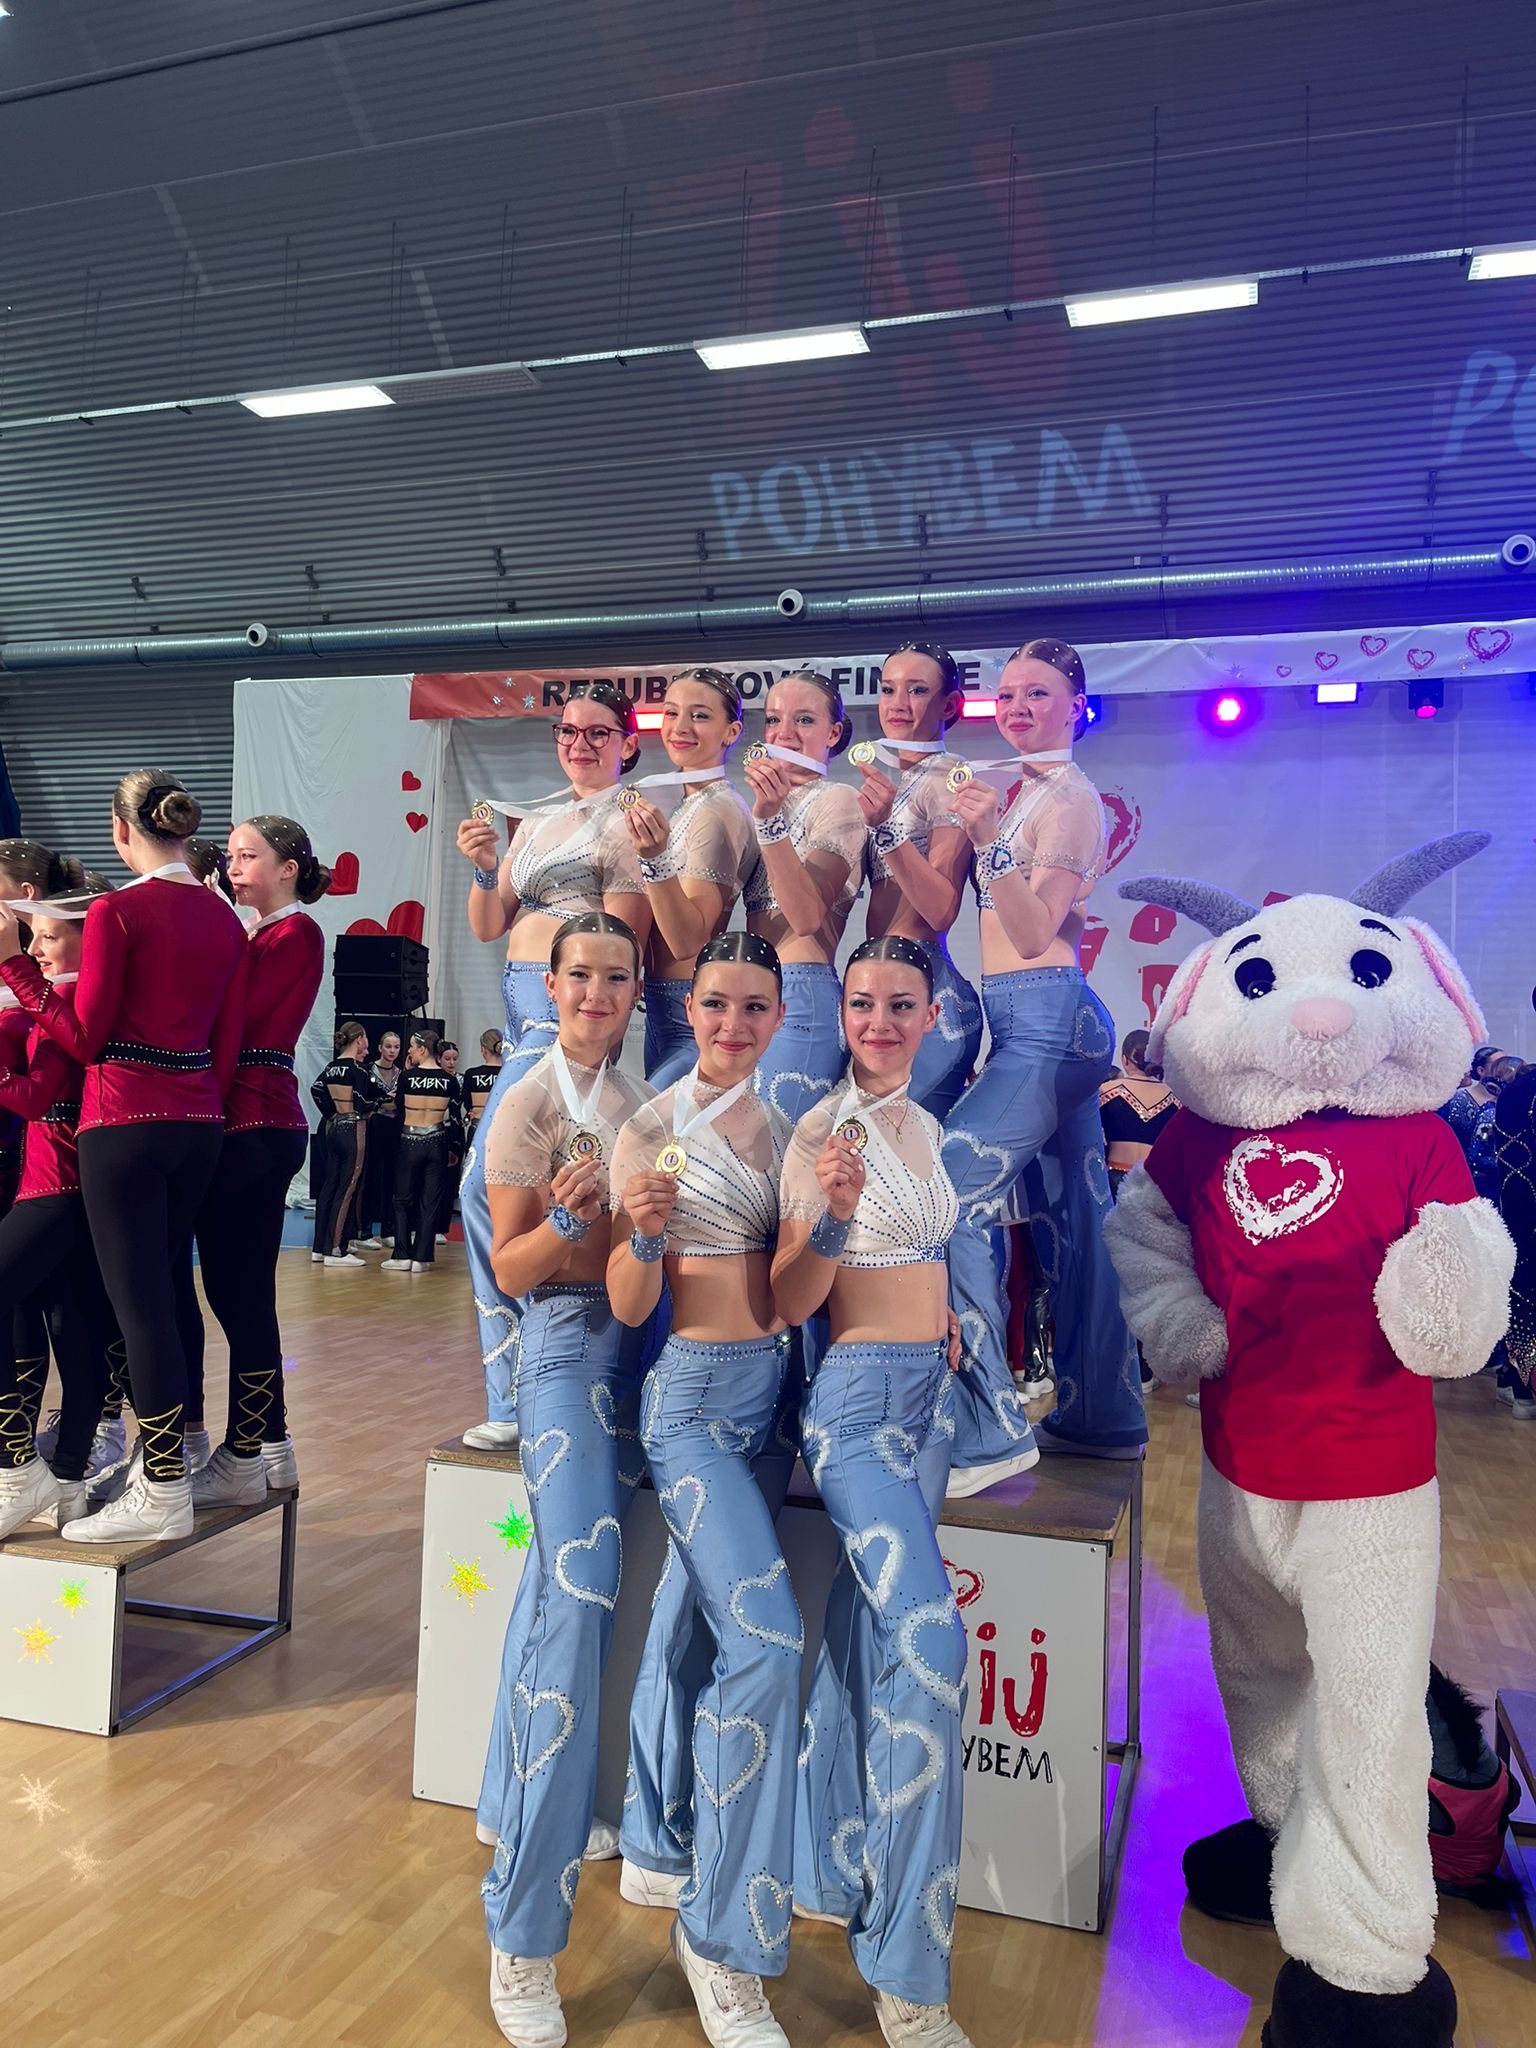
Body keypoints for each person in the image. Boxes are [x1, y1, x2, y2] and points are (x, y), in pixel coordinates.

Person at [772, 936, 972, 2048]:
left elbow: (924, 1254)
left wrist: (941, 1320)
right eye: (861, 1004)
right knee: (932, 1644)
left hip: (928, 1405)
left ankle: (828, 1866)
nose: (880, 1023)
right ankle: (908, 1971)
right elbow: (794, 1294)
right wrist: (836, 1216)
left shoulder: (928, 1127)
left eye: (901, 1004)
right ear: (841, 1012)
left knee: (865, 1636)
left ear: (932, 1014)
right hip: (853, 1413)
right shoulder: (821, 1132)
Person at [607, 931, 798, 2046]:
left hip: (770, 1405)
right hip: (687, 1408)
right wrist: (640, 1235)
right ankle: (722, 1936)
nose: (733, 1024)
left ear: (780, 1016)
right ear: (690, 1006)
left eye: (754, 1007)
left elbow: (805, 1275)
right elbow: (631, 1304)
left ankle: (654, 1833)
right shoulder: (654, 1125)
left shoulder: (792, 1124)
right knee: (764, 1640)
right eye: (717, 1003)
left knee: (691, 1620)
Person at [475, 913, 656, 2048]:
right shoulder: (526, 1101)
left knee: (559, 1590)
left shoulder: (641, 1105)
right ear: (549, 984)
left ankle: (512, 1803)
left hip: (642, 1355)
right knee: (578, 1595)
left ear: (637, 990)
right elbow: (509, 1266)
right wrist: (567, 1216)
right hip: (559, 1355)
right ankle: (523, 1929)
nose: (596, 993)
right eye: (579, 975)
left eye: (615, 977)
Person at [0, 769, 249, 1542]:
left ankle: (156, 1486)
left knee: (136, 1310)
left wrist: (16, 970)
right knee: (155, 1306)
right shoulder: (223, 916)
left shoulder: (117, 910)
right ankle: (157, 1475)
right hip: (197, 1121)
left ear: (119, 831)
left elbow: (84, 1039)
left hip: (125, 1121)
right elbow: (227, 1044)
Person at [941, 640, 1146, 1494]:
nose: (1017, 707)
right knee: (1077, 1224)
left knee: (943, 1192)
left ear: (1077, 706)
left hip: (1050, 1021)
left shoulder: (1068, 799)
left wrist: (987, 837)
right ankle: (1103, 1415)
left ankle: (989, 1425)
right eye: (1007, 695)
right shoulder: (1027, 790)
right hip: (1037, 1019)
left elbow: (1031, 934)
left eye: (1037, 694)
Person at [454, 682, 651, 1451]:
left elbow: (623, 945)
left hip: (558, 1024)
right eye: (569, 731)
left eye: (598, 733)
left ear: (628, 743)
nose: (579, 744)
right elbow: (488, 923)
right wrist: (484, 867)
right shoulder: (536, 821)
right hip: (519, 1020)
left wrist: (594, 1028)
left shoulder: (627, 823)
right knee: (505, 1192)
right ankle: (523, 1383)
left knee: (482, 1187)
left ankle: (515, 1390)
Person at [186, 817, 328, 1507]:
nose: (233, 867)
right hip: (243, 1121)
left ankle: (249, 1450)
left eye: (248, 857)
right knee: (234, 1291)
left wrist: (216, 925)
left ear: (288, 868)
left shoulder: (294, 932)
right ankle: (268, 1443)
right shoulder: (256, 933)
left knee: (239, 1294)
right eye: (232, 856)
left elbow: (236, 1012)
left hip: (257, 1121)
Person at [0, 878, 122, 1535]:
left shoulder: (68, 1000)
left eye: (49, 936)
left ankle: (18, 1468)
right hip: (66, 1184)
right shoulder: (65, 998)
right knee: (75, 1331)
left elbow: (34, 1096)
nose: (35, 948)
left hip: (57, 1185)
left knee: (76, 1331)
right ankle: (69, 1479)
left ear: (87, 940)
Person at [854, 643, 982, 1121]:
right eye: (889, 690)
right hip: (885, 984)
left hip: (926, 992)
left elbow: (941, 908)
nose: (898, 703)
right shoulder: (898, 781)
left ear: (949, 705)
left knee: (908, 1150)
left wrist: (886, 829)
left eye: (917, 690)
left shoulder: (949, 779)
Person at [618, 667, 759, 1087]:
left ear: (731, 732)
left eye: (699, 715)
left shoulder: (716, 811)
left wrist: (655, 859)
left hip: (689, 1019)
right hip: (665, 1007)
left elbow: (687, 940)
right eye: (672, 713)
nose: (680, 727)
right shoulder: (688, 807)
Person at [743, 671, 866, 1126]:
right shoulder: (759, 806)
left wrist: (768, 821)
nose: (784, 734)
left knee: (775, 1143)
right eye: (774, 720)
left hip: (801, 994)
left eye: (804, 720)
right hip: (749, 990)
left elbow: (807, 916)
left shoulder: (839, 800)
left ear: (834, 734)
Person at [382, 1028, 457, 1273]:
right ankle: (422, 1258)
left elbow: (399, 1107)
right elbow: (455, 1117)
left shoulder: (406, 1077)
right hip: (437, 1140)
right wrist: (454, 1147)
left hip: (410, 1140)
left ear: (423, 1049)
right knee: (430, 1200)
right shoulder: (449, 1080)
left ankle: (402, 1255)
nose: (409, 1050)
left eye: (413, 1046)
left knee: (402, 1199)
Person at [312, 1024, 385, 1265]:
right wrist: (379, 1104)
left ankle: (319, 1247)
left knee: (329, 1187)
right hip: (353, 1128)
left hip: (333, 1128)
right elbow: (361, 1102)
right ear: (359, 1040)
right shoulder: (357, 1070)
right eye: (365, 1038)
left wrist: (330, 1112)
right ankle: (336, 1249)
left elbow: (316, 1089)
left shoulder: (331, 1067)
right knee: (347, 1187)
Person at [1494, 1049, 1536, 1420]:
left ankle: (1522, 1385)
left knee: (1524, 1281)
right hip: (1522, 1211)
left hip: (1521, 1213)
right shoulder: (1521, 1091)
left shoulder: (1517, 1091)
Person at [1100, 1028, 1179, 1196]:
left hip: (1112, 1181)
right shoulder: (1176, 1098)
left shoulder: (1105, 1091)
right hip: (1156, 1185)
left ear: (1125, 1060)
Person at [1439, 1043, 1509, 1204]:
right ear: (1481, 1070)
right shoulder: (1457, 1099)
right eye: (1498, 1064)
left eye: (1506, 1063)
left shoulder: (1507, 1100)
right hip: (1467, 1180)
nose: (1505, 1069)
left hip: (1501, 1180)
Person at [358, 1029, 403, 1246]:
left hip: (394, 1127)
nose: (392, 1051)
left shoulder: (401, 1074)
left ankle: (388, 1230)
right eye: (388, 1046)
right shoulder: (368, 1070)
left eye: (396, 1047)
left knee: (393, 1178)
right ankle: (364, 1231)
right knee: (370, 1177)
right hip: (373, 1126)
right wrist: (382, 1101)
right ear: (379, 1048)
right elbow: (363, 1100)